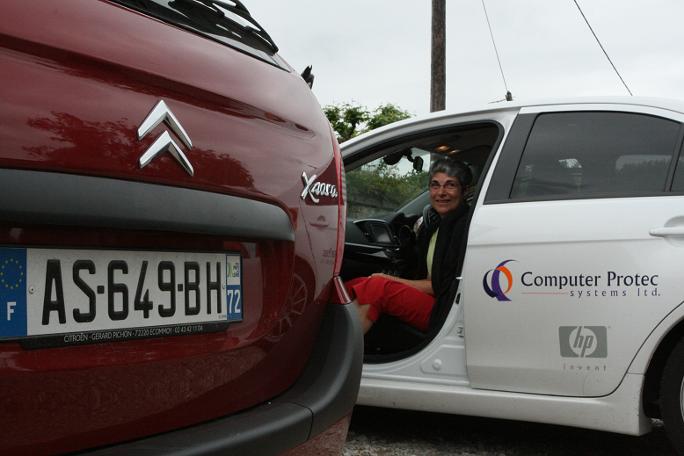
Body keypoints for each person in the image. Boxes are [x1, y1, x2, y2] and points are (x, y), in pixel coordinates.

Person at [346, 157, 472, 333]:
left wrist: (388, 279)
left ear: (464, 191)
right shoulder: (433, 226)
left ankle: (340, 354)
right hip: (429, 296)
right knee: (351, 284)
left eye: (450, 185)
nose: (441, 192)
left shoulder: (464, 227)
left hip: (444, 309)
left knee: (377, 287)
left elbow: (439, 286)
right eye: (435, 185)